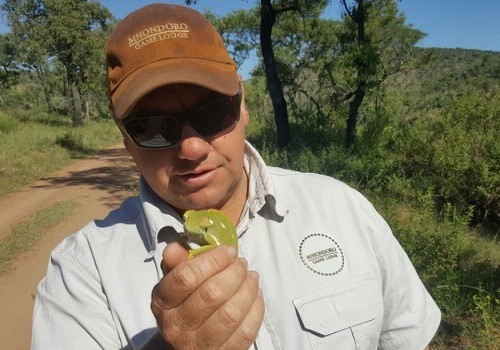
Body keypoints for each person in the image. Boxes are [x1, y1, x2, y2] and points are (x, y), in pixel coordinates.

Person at [31, 3, 441, 350]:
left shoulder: (341, 207)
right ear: (124, 137)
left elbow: (407, 336)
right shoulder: (83, 274)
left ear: (242, 105)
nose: (191, 148)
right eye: (152, 128)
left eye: (212, 113)